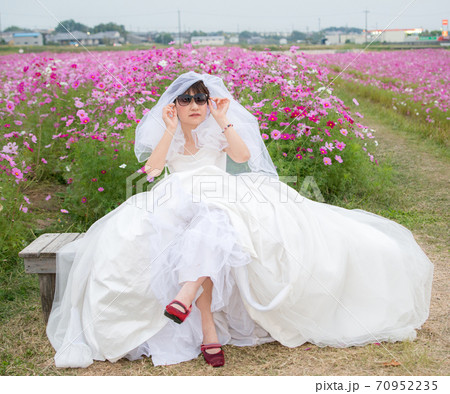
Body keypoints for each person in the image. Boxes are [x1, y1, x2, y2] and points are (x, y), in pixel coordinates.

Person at [46, 71, 434, 369]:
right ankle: (206, 325)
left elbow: (244, 158)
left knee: (215, 219)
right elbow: (152, 169)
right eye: (187, 100)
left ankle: (188, 299)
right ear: (174, 106)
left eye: (202, 98)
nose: (196, 105)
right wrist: (168, 131)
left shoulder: (217, 129)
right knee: (204, 221)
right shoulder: (171, 134)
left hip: (220, 191)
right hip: (177, 193)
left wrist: (223, 118)